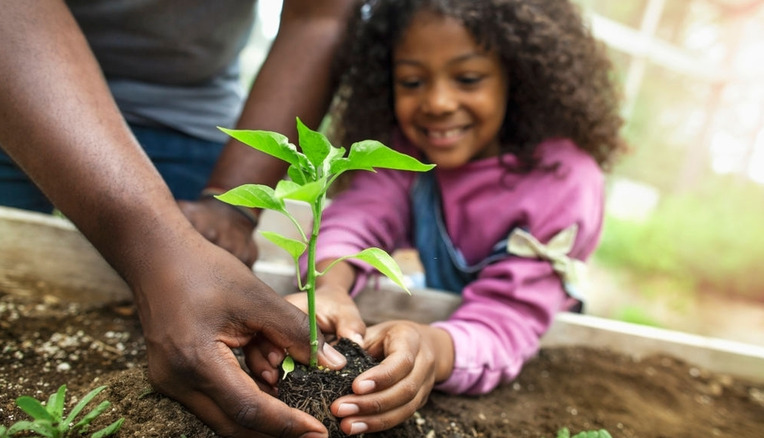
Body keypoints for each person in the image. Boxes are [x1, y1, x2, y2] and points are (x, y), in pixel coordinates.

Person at [246, 0, 627, 434]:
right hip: (449, 310)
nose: (438, 102)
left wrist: (435, 347)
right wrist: (329, 286)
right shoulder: (406, 153)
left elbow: (509, 319)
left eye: (467, 78)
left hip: (524, 326)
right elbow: (360, 216)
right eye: (412, 80)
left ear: (518, 77)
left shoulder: (563, 180)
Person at [0, 1, 357, 437]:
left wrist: (231, 207)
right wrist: (157, 245)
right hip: (6, 77)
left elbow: (320, 16)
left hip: (183, 114)